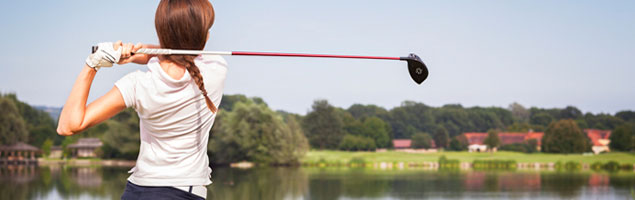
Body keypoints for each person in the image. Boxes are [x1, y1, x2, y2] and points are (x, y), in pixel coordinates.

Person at [56, 0, 225, 199]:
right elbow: (176, 55)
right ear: (201, 36)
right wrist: (141, 53)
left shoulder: (137, 85)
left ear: (161, 32)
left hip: (136, 192)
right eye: (208, 29)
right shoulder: (216, 68)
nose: (209, 34)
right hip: (185, 192)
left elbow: (67, 126)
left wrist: (92, 64)